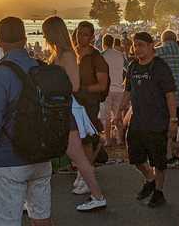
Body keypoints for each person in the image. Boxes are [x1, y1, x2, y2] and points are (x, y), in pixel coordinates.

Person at [0, 17, 53, 226]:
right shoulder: (42, 68)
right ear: (24, 40)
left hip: (9, 158)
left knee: (6, 221)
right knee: (41, 218)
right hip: (42, 155)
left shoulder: (0, 74)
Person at [42, 16, 106, 212]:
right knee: (62, 156)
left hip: (66, 110)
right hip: (60, 110)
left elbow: (75, 84)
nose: (43, 35)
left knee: (77, 157)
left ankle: (97, 195)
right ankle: (35, 197)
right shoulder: (59, 53)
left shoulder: (67, 55)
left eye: (45, 32)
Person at [115, 32, 177, 208]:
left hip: (157, 121)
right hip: (137, 120)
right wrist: (119, 112)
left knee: (158, 160)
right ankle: (150, 178)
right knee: (134, 156)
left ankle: (159, 192)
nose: (137, 49)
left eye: (141, 45)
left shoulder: (160, 67)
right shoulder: (134, 66)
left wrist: (173, 120)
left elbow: (170, 94)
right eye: (135, 45)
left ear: (151, 46)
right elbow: (128, 91)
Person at [74, 21, 109, 164]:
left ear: (91, 37)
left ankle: (87, 168)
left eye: (85, 35)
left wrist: (82, 88)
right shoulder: (71, 53)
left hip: (89, 102)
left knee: (85, 138)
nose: (80, 37)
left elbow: (102, 85)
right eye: (79, 34)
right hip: (74, 101)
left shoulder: (96, 57)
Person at [154, 30, 179, 166]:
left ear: (163, 40)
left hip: (165, 95)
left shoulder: (157, 53)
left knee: (166, 126)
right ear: (175, 40)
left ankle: (168, 155)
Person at [100, 33, 126, 146]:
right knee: (118, 116)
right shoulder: (120, 54)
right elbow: (127, 69)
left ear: (103, 43)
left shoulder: (102, 55)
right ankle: (120, 139)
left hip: (107, 89)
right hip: (119, 89)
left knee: (106, 117)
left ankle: (108, 140)